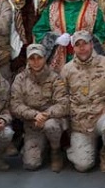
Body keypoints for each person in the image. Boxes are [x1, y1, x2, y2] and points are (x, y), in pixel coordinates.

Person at [60, 31, 105, 172]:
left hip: (102, 117)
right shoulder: (67, 70)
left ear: (91, 44)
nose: (82, 48)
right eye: (78, 45)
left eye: (85, 43)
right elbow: (60, 97)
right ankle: (76, 148)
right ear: (74, 48)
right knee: (83, 165)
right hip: (80, 124)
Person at [33, 0, 105, 71]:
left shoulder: (93, 8)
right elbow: (38, 32)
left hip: (87, 68)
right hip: (57, 68)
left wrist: (85, 41)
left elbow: (103, 35)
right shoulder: (52, 8)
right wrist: (55, 39)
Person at [10, 44, 69, 172]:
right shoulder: (20, 79)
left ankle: (55, 151)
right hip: (33, 125)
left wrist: (45, 115)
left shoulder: (55, 78)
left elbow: (63, 104)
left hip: (52, 121)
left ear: (45, 58)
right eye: (32, 58)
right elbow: (15, 105)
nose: (36, 61)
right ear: (27, 60)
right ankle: (41, 146)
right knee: (31, 164)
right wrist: (34, 115)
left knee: (51, 126)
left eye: (39, 58)